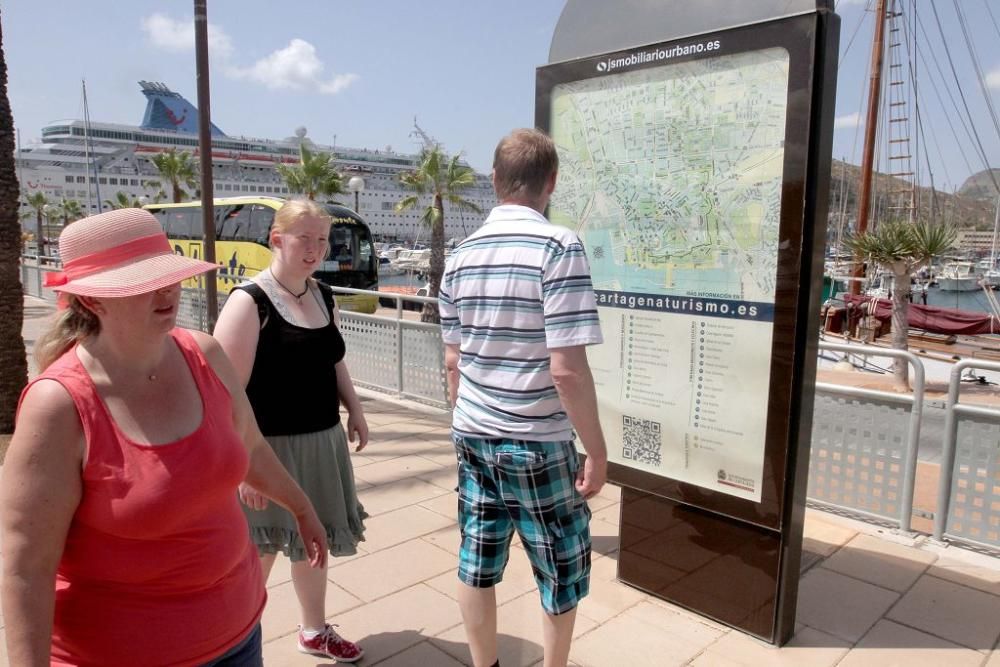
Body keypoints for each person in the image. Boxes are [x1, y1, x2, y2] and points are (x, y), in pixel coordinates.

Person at [0, 208, 329, 666]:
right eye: (143, 282)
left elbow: (251, 446)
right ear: (93, 301)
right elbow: (26, 571)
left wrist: (302, 506)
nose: (168, 289)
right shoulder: (59, 407)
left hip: (239, 635)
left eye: (169, 274)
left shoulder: (205, 355)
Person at [439, 128, 608, 667]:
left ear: (494, 180)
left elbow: (453, 362)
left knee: (477, 558)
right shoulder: (559, 247)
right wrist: (598, 452)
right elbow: (568, 371)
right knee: (560, 566)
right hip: (536, 438)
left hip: (472, 432)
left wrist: (470, 417)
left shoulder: (461, 255)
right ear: (550, 183)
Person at [213, 198, 368, 663]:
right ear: (276, 239)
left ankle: (314, 629)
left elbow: (333, 358)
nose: (315, 249)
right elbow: (226, 394)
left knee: (312, 543)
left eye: (322, 239)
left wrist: (354, 409)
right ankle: (228, 641)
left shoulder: (322, 294)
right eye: (305, 238)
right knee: (255, 554)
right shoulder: (249, 302)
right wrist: (244, 467)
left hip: (322, 442)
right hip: (267, 451)